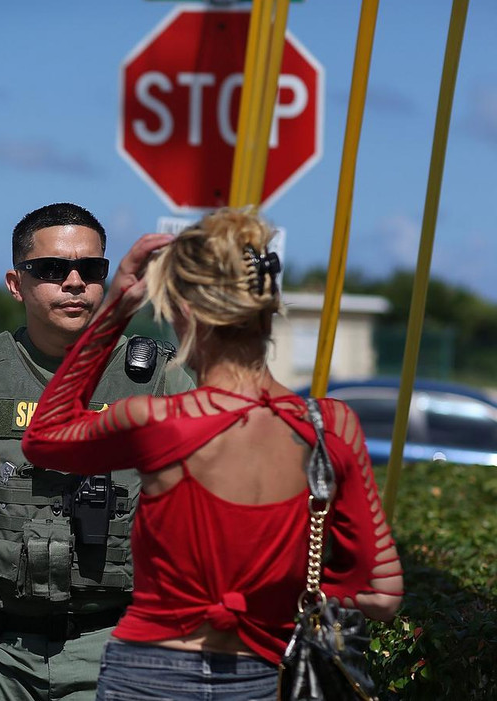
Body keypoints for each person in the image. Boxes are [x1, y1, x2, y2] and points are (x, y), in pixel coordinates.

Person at [21, 208, 404, 699]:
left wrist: (117, 306)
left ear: (184, 312)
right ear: (269, 312)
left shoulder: (155, 421)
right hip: (259, 677)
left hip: (147, 673)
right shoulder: (331, 427)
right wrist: (281, 592)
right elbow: (381, 592)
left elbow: (45, 437)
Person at [0, 203, 195, 701]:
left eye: (91, 269)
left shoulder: (161, 380)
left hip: (117, 646)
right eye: (52, 269)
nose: (73, 281)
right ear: (16, 283)